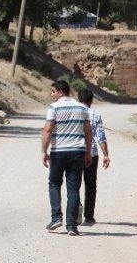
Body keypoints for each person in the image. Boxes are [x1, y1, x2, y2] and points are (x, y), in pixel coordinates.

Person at [41, 80, 92, 236]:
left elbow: (48, 130)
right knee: (73, 188)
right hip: (77, 151)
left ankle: (56, 217)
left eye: (53, 91)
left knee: (54, 183)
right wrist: (88, 152)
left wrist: (44, 150)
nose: (51, 95)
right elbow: (88, 132)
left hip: (59, 151)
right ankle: (71, 226)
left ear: (60, 92)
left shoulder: (54, 108)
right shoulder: (82, 108)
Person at [77, 88, 110, 226]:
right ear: (91, 101)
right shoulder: (95, 115)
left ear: (79, 99)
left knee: (74, 184)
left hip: (76, 152)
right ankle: (89, 217)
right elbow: (100, 136)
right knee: (90, 185)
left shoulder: (75, 113)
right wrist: (106, 154)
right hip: (92, 153)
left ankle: (75, 211)